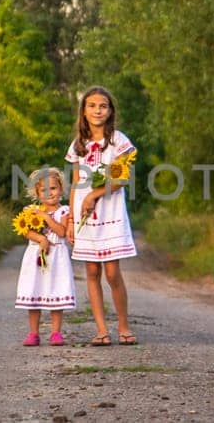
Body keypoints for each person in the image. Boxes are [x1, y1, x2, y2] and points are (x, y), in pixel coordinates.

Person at [66, 86, 139, 346]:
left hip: (109, 210)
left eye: (103, 106)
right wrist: (71, 221)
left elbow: (120, 178)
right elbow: (75, 183)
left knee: (111, 273)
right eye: (92, 106)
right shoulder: (78, 144)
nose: (98, 110)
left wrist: (94, 194)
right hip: (84, 214)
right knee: (92, 272)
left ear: (110, 112)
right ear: (83, 111)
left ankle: (124, 326)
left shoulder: (118, 141)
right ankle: (101, 330)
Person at [14, 168, 76, 346]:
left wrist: (45, 217)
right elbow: (25, 231)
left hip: (57, 256)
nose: (50, 193)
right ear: (37, 193)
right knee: (35, 291)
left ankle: (56, 332)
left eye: (54, 188)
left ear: (61, 189)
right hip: (36, 255)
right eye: (44, 190)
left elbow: (62, 232)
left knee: (56, 291)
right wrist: (41, 238)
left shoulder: (64, 211)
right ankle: (33, 333)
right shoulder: (31, 211)